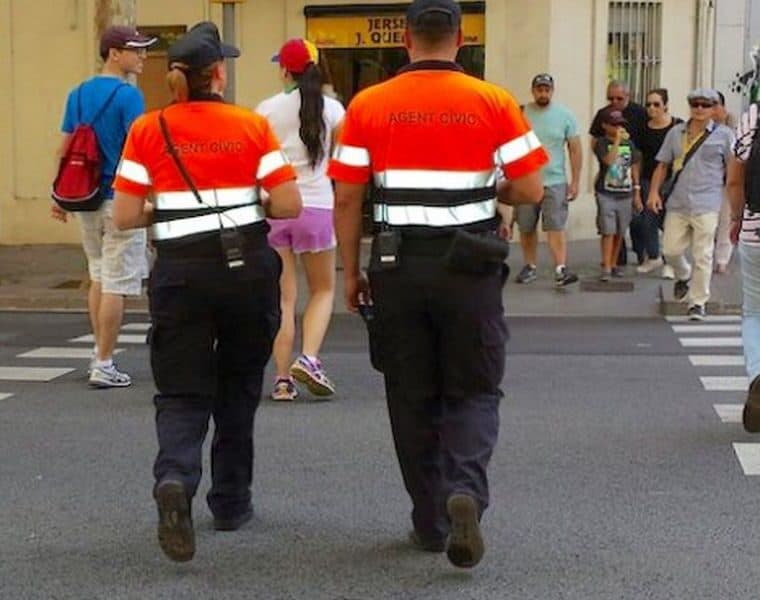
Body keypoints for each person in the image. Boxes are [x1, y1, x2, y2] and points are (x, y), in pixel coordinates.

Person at [328, 0, 547, 569]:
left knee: (410, 392)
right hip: (469, 265)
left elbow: (348, 196)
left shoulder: (369, 104)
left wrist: (351, 271)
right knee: (474, 387)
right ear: (460, 38)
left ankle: (429, 522)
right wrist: (488, 186)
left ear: (405, 38)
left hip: (397, 265)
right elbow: (530, 190)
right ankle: (465, 492)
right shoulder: (492, 100)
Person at [111, 22, 302, 562]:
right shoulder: (249, 126)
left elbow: (125, 215)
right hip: (245, 271)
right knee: (239, 387)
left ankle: (174, 478)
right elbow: (287, 204)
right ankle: (230, 501)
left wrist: (168, 210)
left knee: (180, 391)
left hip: (180, 275)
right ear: (218, 73)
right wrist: (239, 211)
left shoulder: (150, 129)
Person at [53, 25, 156, 388]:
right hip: (119, 198)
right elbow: (139, 148)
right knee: (116, 282)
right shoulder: (129, 96)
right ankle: (105, 362)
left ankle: (98, 352)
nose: (143, 56)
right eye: (137, 50)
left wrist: (57, 194)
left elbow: (65, 146)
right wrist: (151, 195)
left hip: (84, 197)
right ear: (114, 53)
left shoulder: (78, 93)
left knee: (98, 274)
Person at [256, 38, 345, 402]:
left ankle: (281, 380)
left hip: (277, 205)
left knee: (283, 299)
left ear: (283, 69)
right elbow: (343, 158)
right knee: (323, 290)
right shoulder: (335, 110)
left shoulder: (265, 109)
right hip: (319, 207)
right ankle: (308, 358)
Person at [647, 88, 735, 321]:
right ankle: (683, 275)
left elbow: (733, 169)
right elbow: (662, 165)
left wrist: (736, 200)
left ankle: (697, 302)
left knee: (703, 254)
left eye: (705, 105)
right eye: (695, 104)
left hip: (708, 201)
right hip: (678, 201)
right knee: (670, 250)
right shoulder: (676, 133)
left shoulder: (724, 135)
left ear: (714, 108)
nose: (699, 109)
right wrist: (654, 192)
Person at [514, 73, 582, 287]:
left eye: (547, 89)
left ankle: (560, 268)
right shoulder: (521, 113)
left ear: (552, 91)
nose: (543, 93)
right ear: (533, 91)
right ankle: (529, 265)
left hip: (555, 180)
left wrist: (576, 181)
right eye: (539, 89)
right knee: (526, 225)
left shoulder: (565, 116)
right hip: (527, 178)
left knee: (555, 225)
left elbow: (575, 148)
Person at [727, 102, 760, 432]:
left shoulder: (754, 115)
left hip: (756, 230)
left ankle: (758, 375)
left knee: (755, 312)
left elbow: (735, 180)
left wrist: (737, 218)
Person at [590, 81, 647, 267]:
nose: (614, 101)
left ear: (628, 96)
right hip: (607, 184)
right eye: (610, 98)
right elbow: (596, 142)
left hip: (629, 179)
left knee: (630, 224)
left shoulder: (639, 113)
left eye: (619, 98)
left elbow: (637, 157)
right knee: (609, 229)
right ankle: (611, 263)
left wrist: (637, 187)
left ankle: (640, 254)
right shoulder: (602, 115)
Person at [631, 88, 682, 276]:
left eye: (656, 104)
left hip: (671, 181)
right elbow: (637, 159)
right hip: (647, 179)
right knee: (647, 219)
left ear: (665, 106)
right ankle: (654, 256)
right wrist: (636, 186)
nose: (651, 108)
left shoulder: (677, 127)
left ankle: (670, 262)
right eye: (648, 104)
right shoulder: (643, 129)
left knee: (670, 222)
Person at [592, 108, 642, 281]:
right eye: (614, 124)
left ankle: (613, 263)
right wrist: (617, 141)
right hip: (606, 192)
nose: (618, 127)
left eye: (620, 124)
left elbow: (634, 165)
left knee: (620, 230)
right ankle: (605, 265)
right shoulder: (601, 143)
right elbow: (608, 160)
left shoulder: (630, 144)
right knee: (608, 230)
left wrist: (636, 190)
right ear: (605, 125)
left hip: (625, 192)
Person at [714, 90, 739, 273]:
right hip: (706, 181)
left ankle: (722, 259)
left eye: (715, 105)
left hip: (726, 181)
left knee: (725, 220)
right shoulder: (699, 127)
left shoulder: (732, 129)